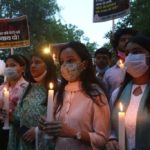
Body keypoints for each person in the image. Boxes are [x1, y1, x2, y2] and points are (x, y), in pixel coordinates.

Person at [39, 41, 110, 150]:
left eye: (70, 60)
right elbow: (53, 130)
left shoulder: (95, 94)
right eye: (62, 62)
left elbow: (102, 139)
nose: (65, 65)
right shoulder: (60, 93)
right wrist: (46, 125)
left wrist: (74, 133)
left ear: (84, 64)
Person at [106, 35, 150, 150]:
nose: (130, 57)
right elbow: (111, 127)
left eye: (136, 52)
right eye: (127, 53)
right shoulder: (117, 93)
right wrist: (112, 139)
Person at [7, 50, 58, 150]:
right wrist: (10, 116)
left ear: (48, 65)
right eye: (31, 63)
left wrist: (38, 130)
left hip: (45, 143)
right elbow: (18, 117)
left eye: (37, 62)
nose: (33, 66)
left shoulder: (57, 90)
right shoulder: (29, 88)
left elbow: (61, 119)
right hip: (24, 142)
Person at [0, 54, 29, 150]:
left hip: (17, 133)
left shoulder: (27, 88)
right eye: (7, 66)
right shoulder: (2, 87)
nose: (8, 68)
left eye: (12, 65)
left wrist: (11, 116)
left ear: (23, 68)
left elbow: (28, 115)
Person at [103, 28, 137, 97]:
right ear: (117, 45)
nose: (127, 41)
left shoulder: (143, 68)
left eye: (130, 39)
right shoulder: (109, 73)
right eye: (123, 40)